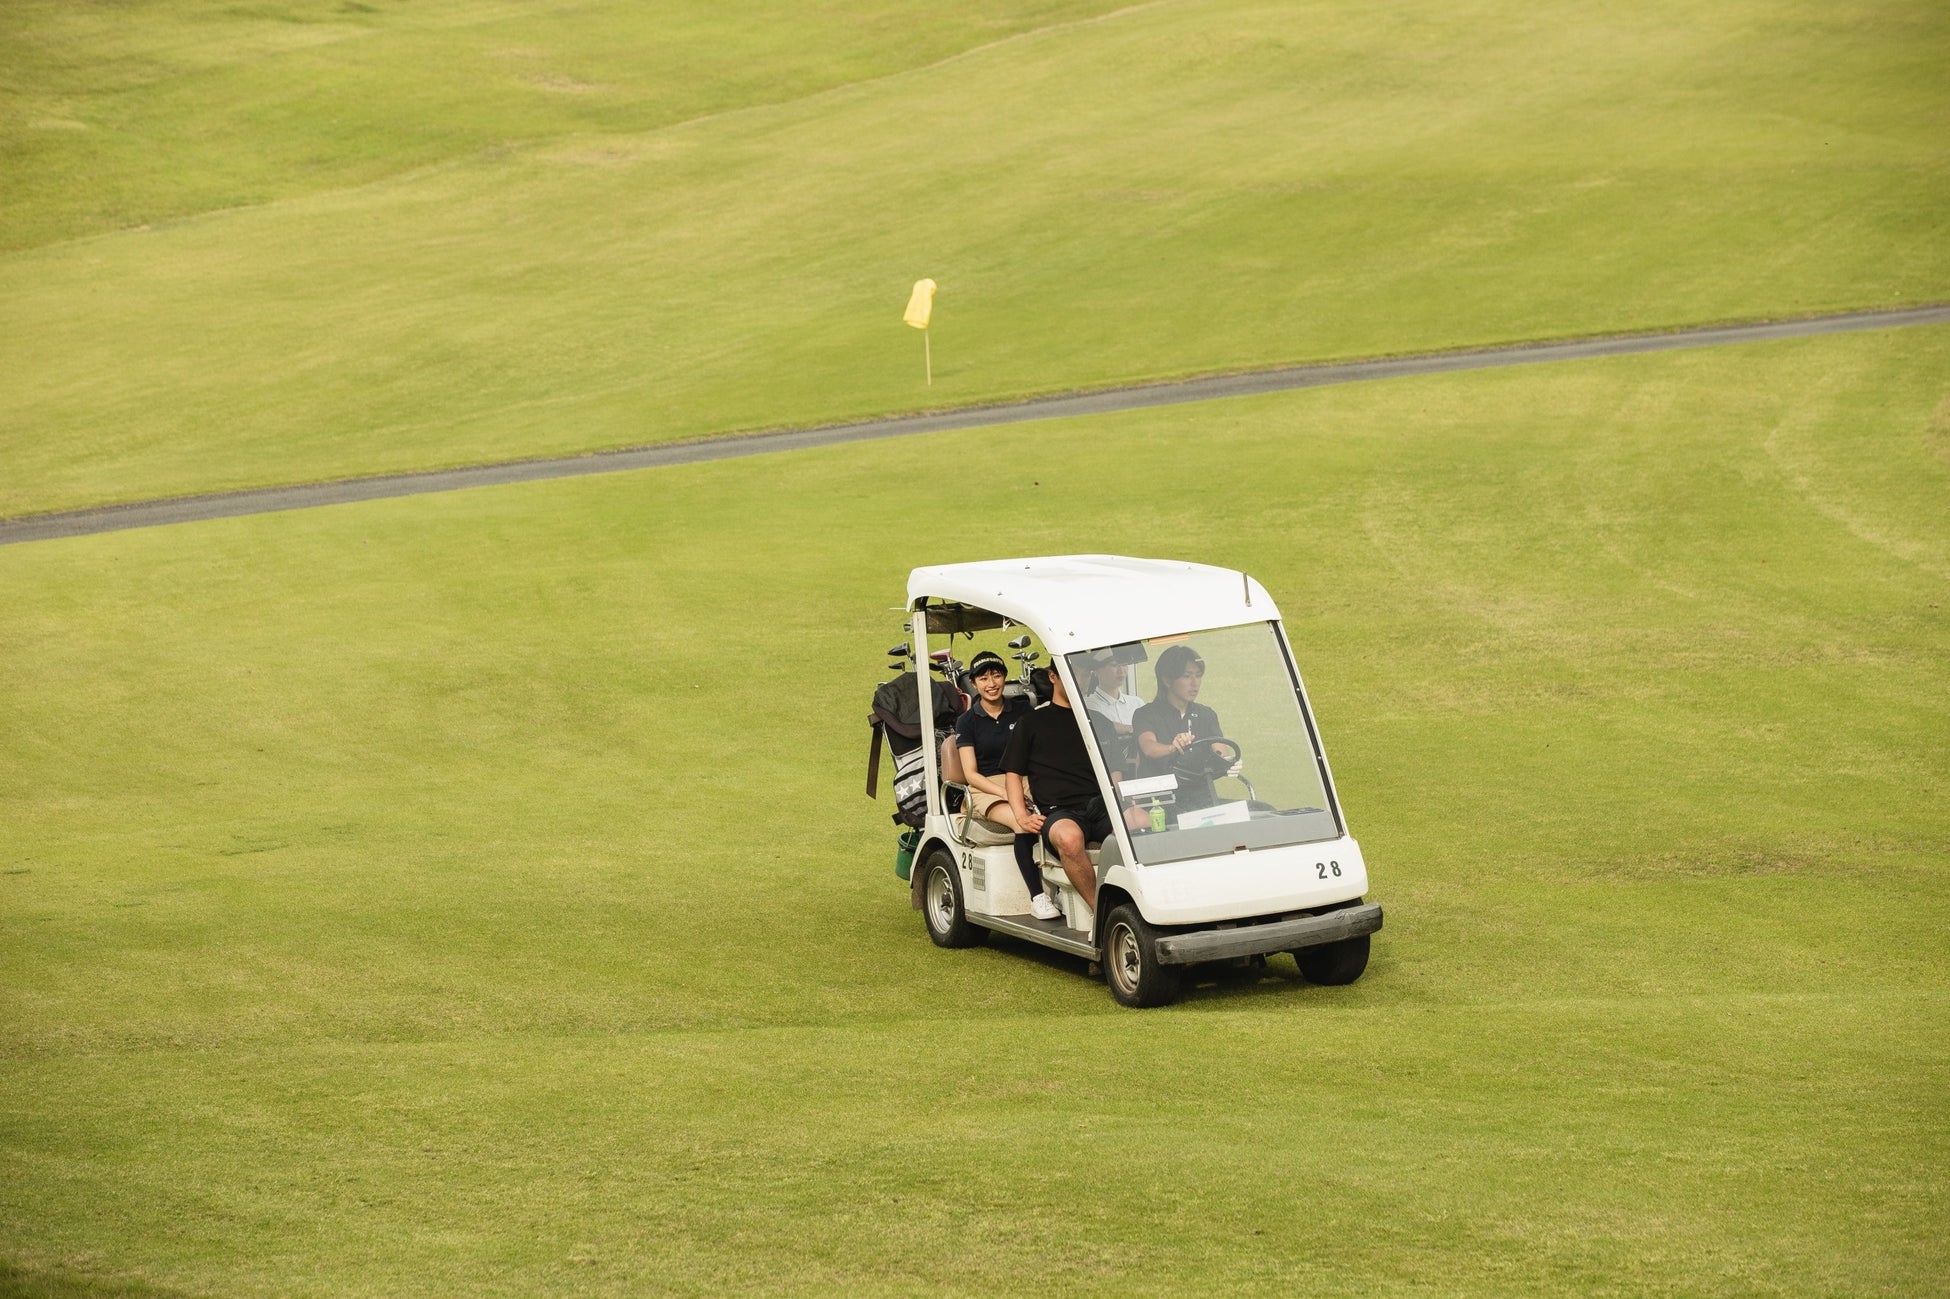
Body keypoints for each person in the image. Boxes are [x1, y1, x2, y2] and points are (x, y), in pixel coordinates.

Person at [1002, 664, 1109, 921]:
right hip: (1059, 811)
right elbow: (1013, 774)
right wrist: (1021, 816)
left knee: (1141, 826)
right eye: (1073, 673)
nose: (1080, 679)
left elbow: (1115, 770)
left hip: (1102, 806)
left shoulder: (1099, 721)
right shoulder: (1031, 722)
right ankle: (1103, 917)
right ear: (1053, 677)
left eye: (1084, 672)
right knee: (1069, 838)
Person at [952, 651, 1052, 919]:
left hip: (1025, 780)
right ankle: (1038, 897)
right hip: (987, 787)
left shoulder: (1022, 710)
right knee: (1023, 821)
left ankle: (1061, 889)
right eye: (984, 678)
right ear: (974, 684)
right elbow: (971, 774)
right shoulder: (967, 721)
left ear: (1005, 677)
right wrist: (1006, 793)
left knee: (1059, 814)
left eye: (996, 676)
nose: (991, 683)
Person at [1131, 643, 1225, 805]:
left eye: (1198, 676)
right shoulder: (1145, 714)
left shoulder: (1206, 714)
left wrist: (1227, 761)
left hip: (1202, 798)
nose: (1195, 683)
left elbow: (1221, 751)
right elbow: (1149, 748)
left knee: (1259, 809)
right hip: (1160, 801)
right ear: (1167, 680)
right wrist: (1172, 747)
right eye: (1187, 676)